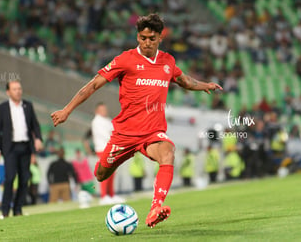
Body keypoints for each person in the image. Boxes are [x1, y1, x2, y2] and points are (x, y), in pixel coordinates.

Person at [51, 13, 222, 228]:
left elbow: (184, 80)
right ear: (137, 36)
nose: (146, 43)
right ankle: (113, 164)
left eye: (151, 38)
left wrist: (204, 84)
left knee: (168, 152)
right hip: (124, 134)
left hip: (152, 133)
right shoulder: (125, 60)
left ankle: (155, 209)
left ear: (160, 37)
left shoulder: (167, 61)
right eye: (142, 38)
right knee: (101, 174)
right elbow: (94, 84)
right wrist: (67, 110)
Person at [0, 80, 43, 218]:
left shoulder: (28, 106)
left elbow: (35, 126)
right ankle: (4, 211)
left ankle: (18, 210)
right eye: (14, 89)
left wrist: (38, 138)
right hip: (10, 148)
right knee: (9, 178)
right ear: (8, 92)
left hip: (26, 146)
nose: (18, 91)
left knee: (24, 179)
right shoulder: (1, 108)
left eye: (19, 88)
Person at [91, 103, 122, 205]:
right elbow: (106, 135)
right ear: (97, 110)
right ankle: (104, 196)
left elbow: (114, 132)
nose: (104, 111)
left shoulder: (108, 120)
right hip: (102, 148)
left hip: (110, 147)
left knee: (112, 172)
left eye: (105, 108)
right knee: (105, 171)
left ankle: (111, 195)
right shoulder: (96, 121)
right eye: (102, 109)